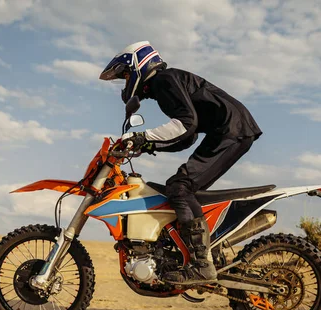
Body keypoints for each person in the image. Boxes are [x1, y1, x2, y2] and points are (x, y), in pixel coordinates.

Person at [100, 41, 262, 285]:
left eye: (124, 76)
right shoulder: (165, 82)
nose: (125, 83)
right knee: (182, 186)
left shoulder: (163, 80)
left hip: (232, 131)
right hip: (227, 131)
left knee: (180, 187)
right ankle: (204, 251)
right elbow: (188, 137)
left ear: (136, 66)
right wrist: (147, 145)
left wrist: (143, 137)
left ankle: (201, 264)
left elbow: (185, 125)